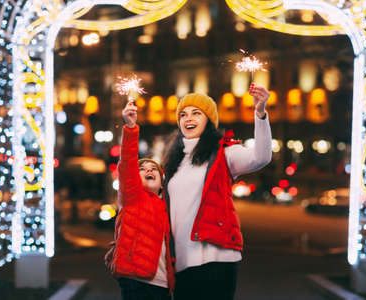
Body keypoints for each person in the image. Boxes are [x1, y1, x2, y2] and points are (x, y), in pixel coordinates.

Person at [163, 83, 272, 300]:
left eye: (196, 113)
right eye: (183, 114)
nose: (188, 118)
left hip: (218, 256)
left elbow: (261, 157)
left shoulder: (225, 152)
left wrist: (260, 114)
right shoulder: (173, 162)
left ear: (209, 120)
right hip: (182, 260)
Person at [105, 101, 175, 300]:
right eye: (142, 169)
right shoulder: (132, 196)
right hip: (136, 280)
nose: (149, 170)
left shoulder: (168, 206)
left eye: (153, 169)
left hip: (162, 283)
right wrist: (130, 128)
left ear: (162, 183)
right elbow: (127, 162)